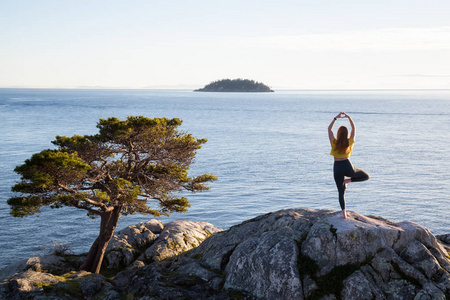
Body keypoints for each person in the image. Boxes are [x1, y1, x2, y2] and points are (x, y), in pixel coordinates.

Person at [328, 112, 370, 219]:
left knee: (341, 192)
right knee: (366, 176)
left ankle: (344, 214)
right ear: (346, 134)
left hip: (337, 168)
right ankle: (347, 181)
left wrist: (336, 118)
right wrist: (349, 118)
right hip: (348, 167)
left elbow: (329, 129)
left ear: (338, 133)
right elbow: (353, 129)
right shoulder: (349, 142)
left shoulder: (334, 143)